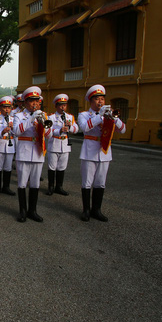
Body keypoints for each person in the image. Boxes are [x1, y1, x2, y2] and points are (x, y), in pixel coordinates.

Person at [78, 85, 126, 222]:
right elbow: (85, 127)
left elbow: (122, 130)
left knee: (100, 183)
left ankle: (96, 210)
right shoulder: (84, 115)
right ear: (91, 101)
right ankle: (86, 210)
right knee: (87, 183)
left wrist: (113, 118)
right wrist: (99, 116)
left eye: (102, 99)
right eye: (97, 99)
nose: (100, 102)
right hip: (89, 152)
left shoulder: (108, 116)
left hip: (104, 152)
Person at [12, 86, 52, 222]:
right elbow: (16, 131)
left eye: (36, 101)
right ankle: (22, 211)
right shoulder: (18, 116)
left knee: (35, 183)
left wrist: (43, 124)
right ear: (25, 102)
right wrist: (30, 120)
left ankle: (32, 211)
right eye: (31, 101)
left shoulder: (44, 115)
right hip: (24, 152)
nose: (34, 103)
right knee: (22, 183)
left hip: (38, 152)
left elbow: (50, 135)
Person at [45, 94, 78, 196]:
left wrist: (70, 127)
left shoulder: (69, 117)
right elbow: (47, 130)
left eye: (64, 105)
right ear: (56, 106)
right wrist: (59, 130)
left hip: (65, 144)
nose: (62, 107)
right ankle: (50, 186)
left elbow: (76, 129)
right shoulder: (51, 117)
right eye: (60, 105)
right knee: (52, 167)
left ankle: (59, 187)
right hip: (54, 143)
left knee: (62, 167)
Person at [0, 96, 16, 196]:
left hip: (10, 146)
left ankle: (6, 187)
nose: (6, 110)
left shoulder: (14, 119)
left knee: (8, 168)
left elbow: (18, 134)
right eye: (4, 107)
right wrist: (1, 132)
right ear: (0, 108)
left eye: (8, 108)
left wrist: (13, 128)